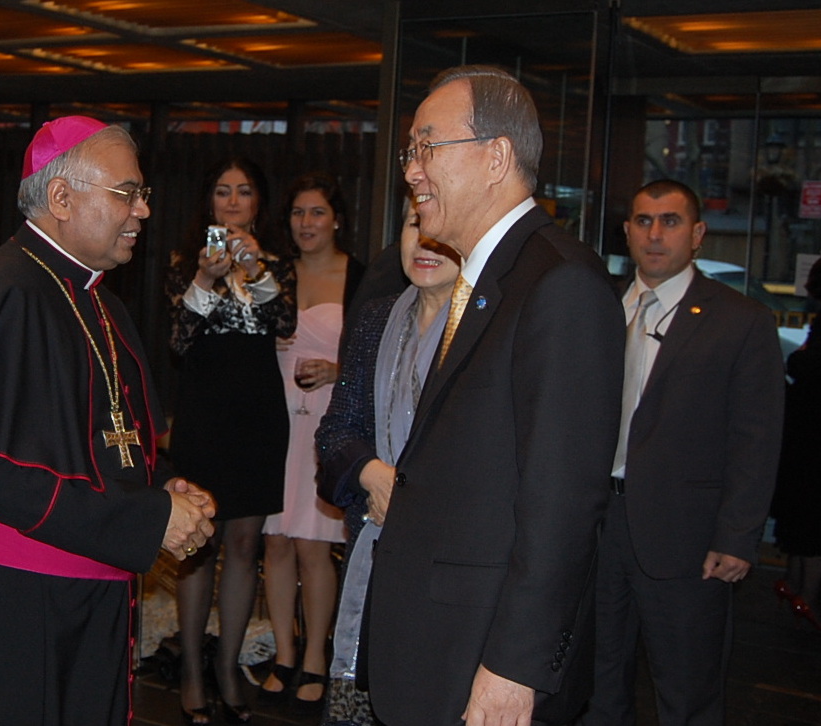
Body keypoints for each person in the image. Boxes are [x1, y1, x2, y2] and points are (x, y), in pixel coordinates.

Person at [0, 116, 216, 726]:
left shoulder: (100, 302)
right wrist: (147, 518)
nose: (143, 211)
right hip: (7, 606)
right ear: (62, 197)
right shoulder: (6, 294)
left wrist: (161, 484)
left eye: (143, 194)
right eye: (128, 193)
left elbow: (98, 437)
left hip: (82, 594)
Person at [365, 65, 625, 726]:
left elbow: (562, 502)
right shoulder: (485, 283)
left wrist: (516, 667)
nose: (412, 171)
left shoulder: (559, 284)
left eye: (427, 148)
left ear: (496, 157)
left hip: (485, 660)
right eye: (409, 152)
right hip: (440, 643)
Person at [582, 179, 785, 725]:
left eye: (670, 221)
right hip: (596, 527)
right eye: (643, 220)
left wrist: (738, 536)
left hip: (687, 537)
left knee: (687, 691)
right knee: (595, 687)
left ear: (696, 235)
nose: (654, 233)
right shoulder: (595, 307)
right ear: (626, 231)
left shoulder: (739, 321)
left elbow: (756, 438)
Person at [315, 198, 457, 726]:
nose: (425, 240)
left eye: (439, 226)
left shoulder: (484, 330)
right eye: (413, 224)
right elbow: (335, 430)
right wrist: (373, 474)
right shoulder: (376, 319)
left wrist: (412, 491)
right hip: (372, 548)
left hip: (447, 565)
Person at [165, 157, 296, 725]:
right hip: (204, 415)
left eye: (244, 192)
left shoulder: (274, 263)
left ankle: (227, 665)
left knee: (246, 545)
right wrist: (206, 277)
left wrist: (256, 267)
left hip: (259, 417)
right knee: (199, 543)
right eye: (223, 192)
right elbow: (178, 339)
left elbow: (284, 322)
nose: (234, 201)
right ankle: (192, 670)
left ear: (257, 203)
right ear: (209, 202)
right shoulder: (183, 261)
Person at [260, 172, 363, 712]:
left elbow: (376, 360)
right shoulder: (274, 274)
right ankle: (282, 652)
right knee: (275, 541)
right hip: (276, 419)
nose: (307, 223)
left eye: (317, 212)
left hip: (327, 421)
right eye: (298, 213)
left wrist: (339, 370)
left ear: (337, 218)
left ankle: (317, 659)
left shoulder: (359, 277)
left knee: (314, 545)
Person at [771, 251, 821, 632]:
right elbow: (813, 366)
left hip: (814, 427)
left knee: (806, 508)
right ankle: (809, 596)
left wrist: (801, 363)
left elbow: (806, 364)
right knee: (818, 511)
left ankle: (798, 585)